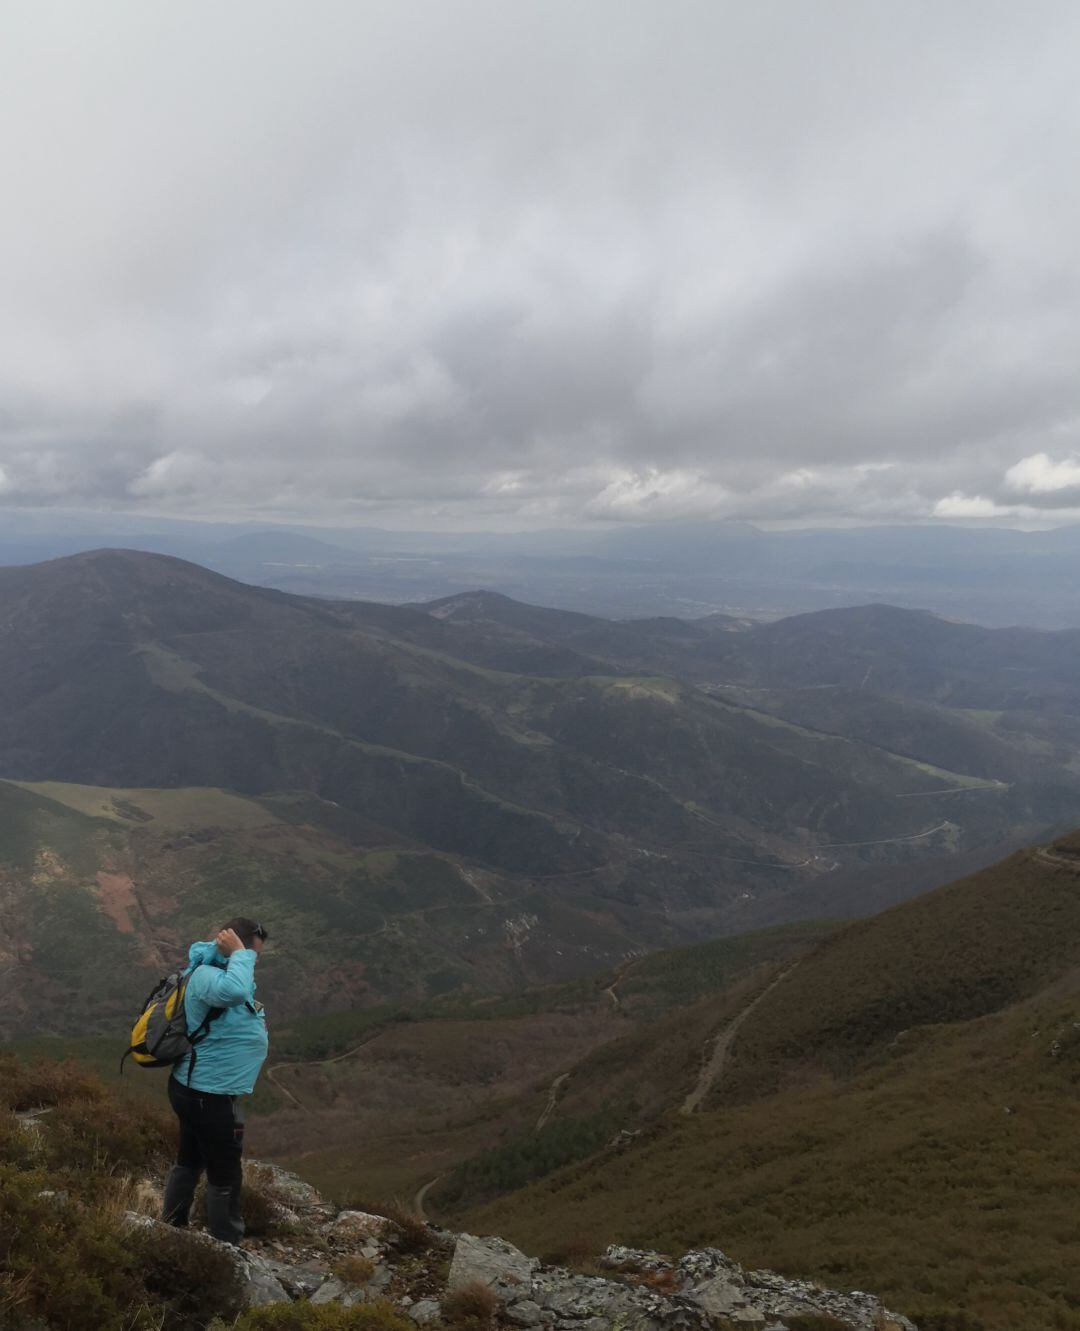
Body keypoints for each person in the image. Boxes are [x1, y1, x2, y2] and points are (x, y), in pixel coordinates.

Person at [161, 917, 269, 1243]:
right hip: (206, 1094)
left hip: (204, 1089)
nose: (254, 958)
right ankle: (228, 1247)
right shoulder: (208, 976)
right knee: (225, 1174)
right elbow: (235, 992)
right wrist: (241, 953)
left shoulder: (221, 972)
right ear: (233, 945)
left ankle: (171, 1226)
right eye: (252, 951)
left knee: (190, 1159)